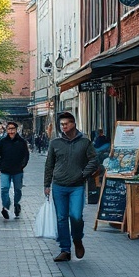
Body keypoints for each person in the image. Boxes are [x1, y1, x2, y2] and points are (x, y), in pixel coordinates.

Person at [44, 112, 100, 262]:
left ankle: (77, 239)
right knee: (61, 218)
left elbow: (94, 160)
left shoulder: (84, 142)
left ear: (73, 124)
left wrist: (84, 174)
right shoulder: (55, 143)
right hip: (59, 186)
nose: (63, 127)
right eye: (61, 124)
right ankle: (65, 250)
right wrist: (46, 184)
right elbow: (49, 164)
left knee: (76, 216)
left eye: (66, 124)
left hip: (77, 186)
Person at [0, 121, 30, 219]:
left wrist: (22, 165)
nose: (11, 131)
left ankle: (16, 204)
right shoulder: (2, 141)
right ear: (6, 130)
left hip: (18, 170)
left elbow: (26, 155)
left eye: (13, 129)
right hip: (5, 170)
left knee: (18, 189)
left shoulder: (21, 142)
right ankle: (5, 207)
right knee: (4, 189)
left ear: (16, 129)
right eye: (9, 129)